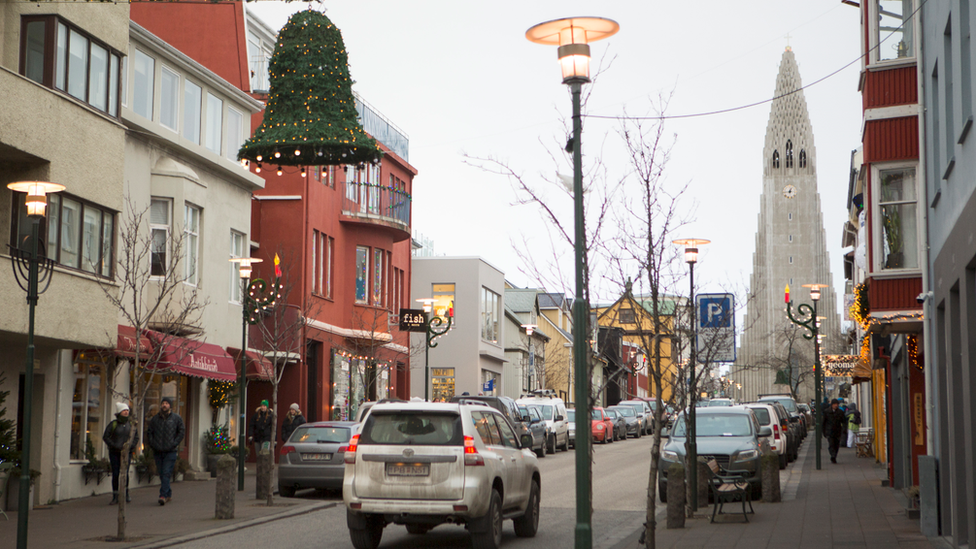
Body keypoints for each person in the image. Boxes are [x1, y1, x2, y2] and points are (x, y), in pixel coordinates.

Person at [145, 396, 185, 505]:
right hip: (158, 451)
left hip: (170, 451)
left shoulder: (176, 418)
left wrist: (174, 443)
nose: (164, 405)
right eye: (163, 403)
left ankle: (162, 495)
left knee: (166, 473)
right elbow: (149, 432)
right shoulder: (155, 419)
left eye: (167, 403)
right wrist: (153, 444)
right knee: (162, 473)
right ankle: (168, 494)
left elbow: (181, 432)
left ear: (170, 406)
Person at [102, 402, 138, 504]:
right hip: (114, 453)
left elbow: (136, 437)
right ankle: (115, 496)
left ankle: (126, 494)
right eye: (124, 410)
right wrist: (114, 446)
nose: (126, 412)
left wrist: (130, 447)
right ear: (119, 412)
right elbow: (106, 437)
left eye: (127, 410)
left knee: (125, 473)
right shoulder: (113, 424)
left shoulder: (131, 425)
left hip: (127, 453)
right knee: (116, 474)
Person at [822, 398, 846, 463]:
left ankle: (834, 455)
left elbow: (844, 422)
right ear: (832, 405)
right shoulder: (827, 412)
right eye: (835, 404)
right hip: (829, 431)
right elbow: (823, 422)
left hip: (837, 431)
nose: (836, 405)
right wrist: (824, 432)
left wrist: (844, 430)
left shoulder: (840, 412)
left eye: (837, 404)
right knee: (831, 444)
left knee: (836, 445)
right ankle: (833, 455)